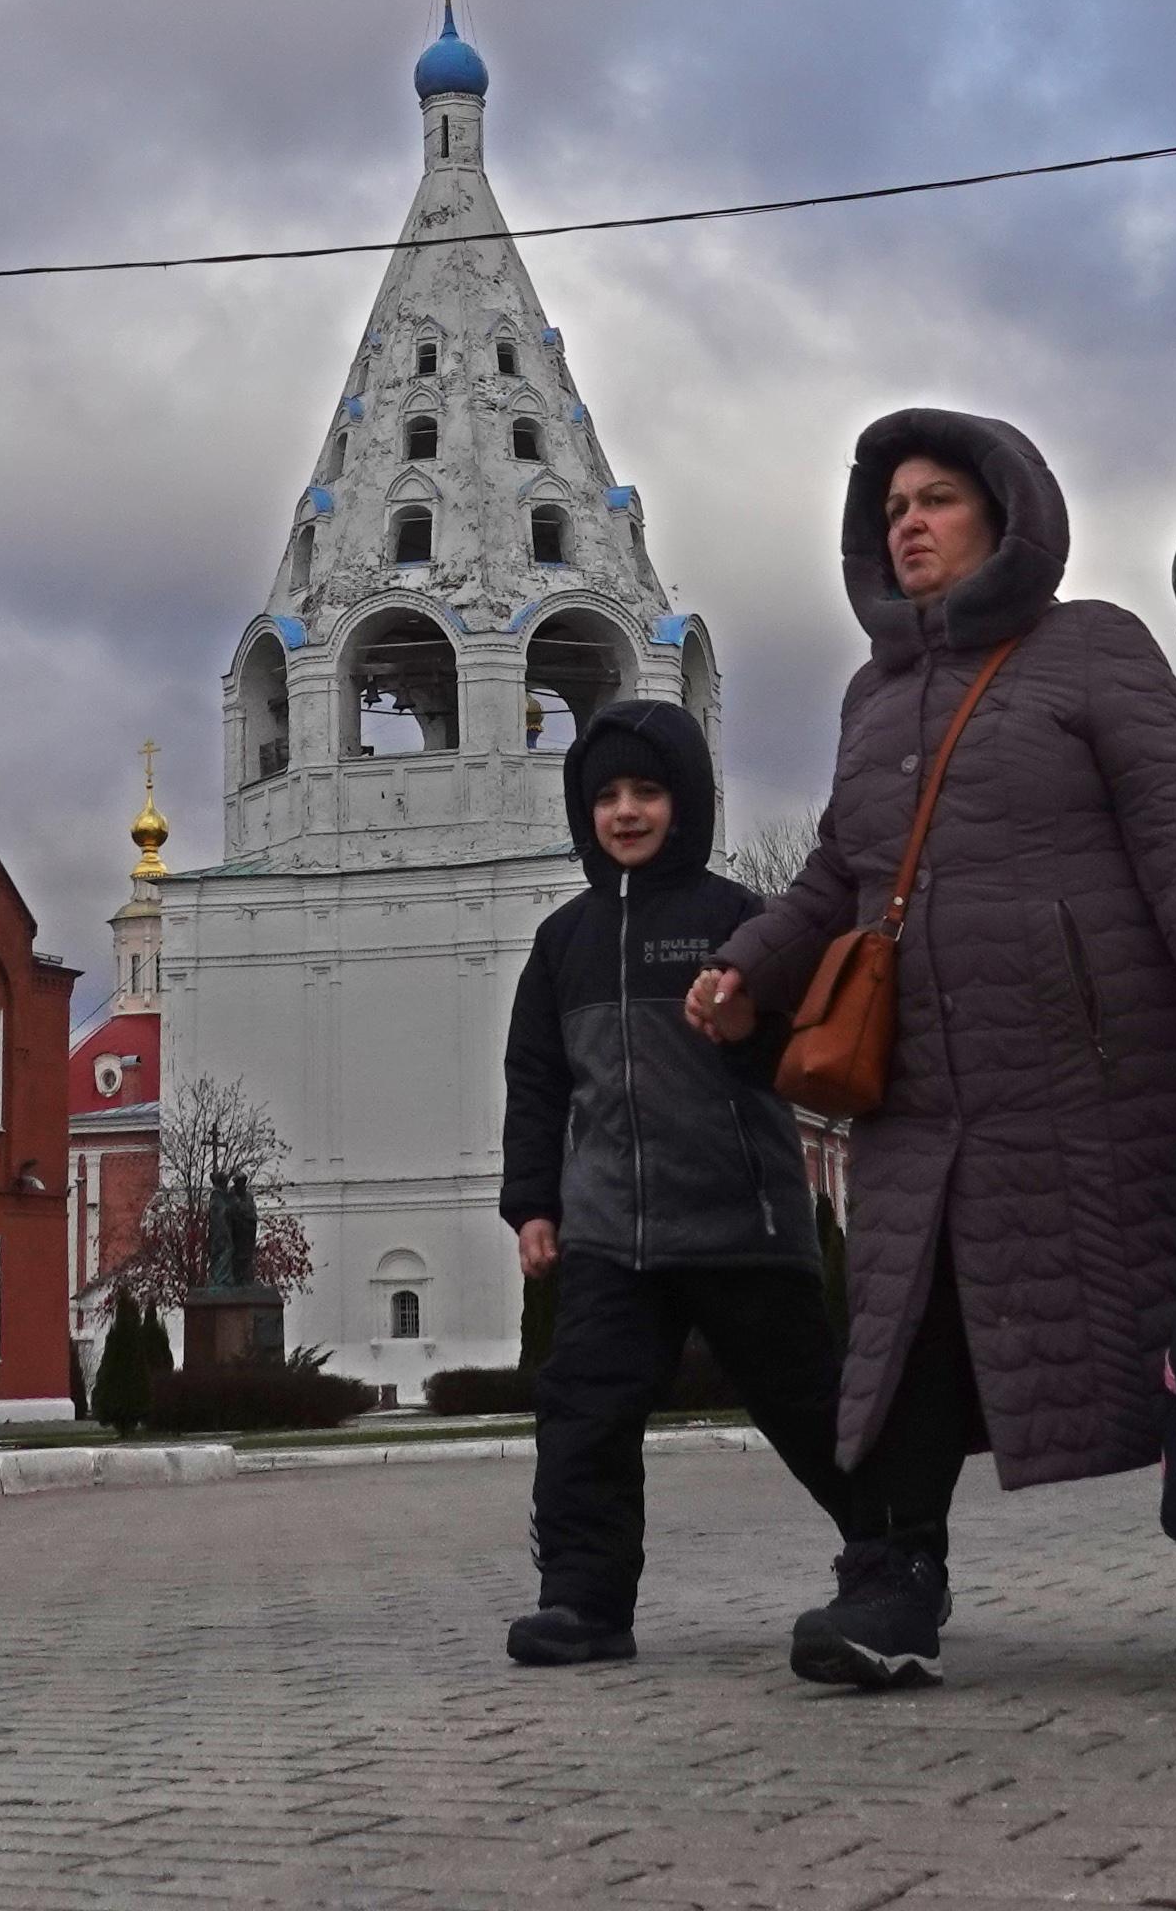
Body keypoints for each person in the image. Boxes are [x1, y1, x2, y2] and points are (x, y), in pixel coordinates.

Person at [691, 410, 1176, 1685]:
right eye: (891, 509)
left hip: (1107, 1076)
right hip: (920, 1090)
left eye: (937, 500)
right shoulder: (873, 698)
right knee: (905, 1335)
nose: (906, 523)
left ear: (1007, 514)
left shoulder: (1094, 650)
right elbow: (839, 875)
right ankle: (894, 1585)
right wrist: (749, 965)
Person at [493, 691, 858, 1666]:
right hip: (613, 1232)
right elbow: (536, 1081)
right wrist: (533, 1202)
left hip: (741, 1220)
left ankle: (896, 1557)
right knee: (584, 1412)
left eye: (647, 791)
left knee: (813, 1411)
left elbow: (794, 1055)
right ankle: (584, 1602)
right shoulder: (561, 943)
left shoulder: (738, 920)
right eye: (605, 794)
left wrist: (747, 1027)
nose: (625, 812)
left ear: (685, 800)